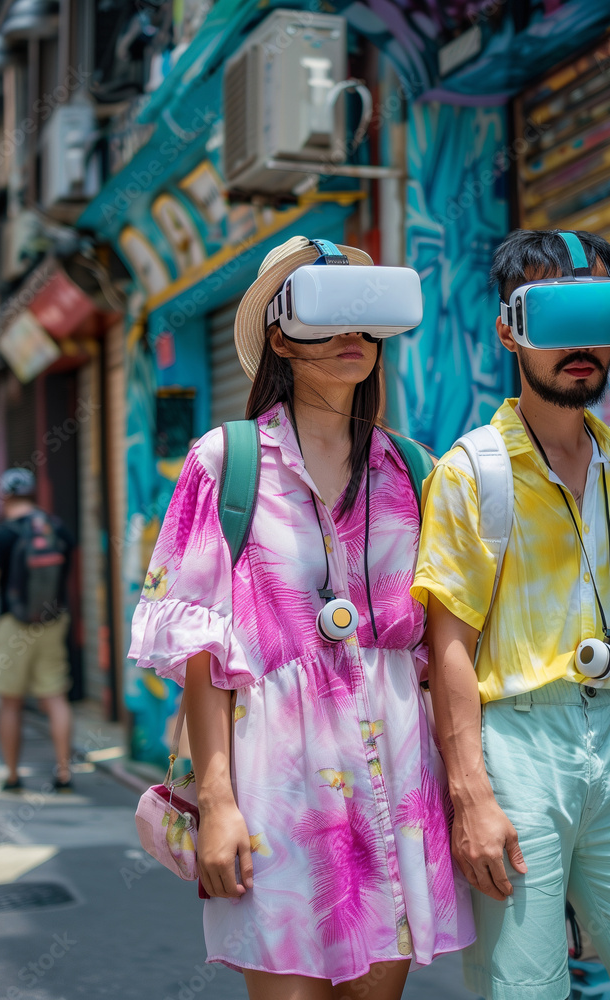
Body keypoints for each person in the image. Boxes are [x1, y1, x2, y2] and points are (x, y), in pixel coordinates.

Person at [129, 236, 473, 1000]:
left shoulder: (415, 469)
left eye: (366, 313)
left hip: (395, 785)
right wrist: (216, 804)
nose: (353, 333)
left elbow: (445, 649)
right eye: (326, 312)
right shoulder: (225, 463)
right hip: (277, 786)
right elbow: (201, 652)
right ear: (281, 334)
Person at [413, 228, 610, 1000]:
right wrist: (471, 795)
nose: (583, 342)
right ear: (510, 328)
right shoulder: (471, 470)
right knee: (528, 991)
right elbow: (449, 644)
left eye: (600, 313)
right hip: (516, 742)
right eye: (555, 315)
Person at [0, 468, 75, 793]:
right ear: (34, 494)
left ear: (6, 496)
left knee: (10, 702)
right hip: (53, 620)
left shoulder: (3, 534)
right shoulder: (58, 528)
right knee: (55, 697)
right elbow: (70, 579)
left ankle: (12, 775)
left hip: (13, 625)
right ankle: (63, 773)